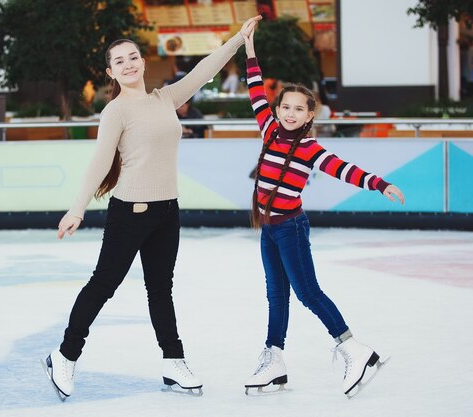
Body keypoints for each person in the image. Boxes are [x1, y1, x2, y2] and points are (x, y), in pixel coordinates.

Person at [43, 15, 263, 401]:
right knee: (103, 284)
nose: (128, 64)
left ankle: (172, 361)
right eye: (119, 61)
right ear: (110, 72)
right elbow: (99, 162)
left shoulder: (165, 99)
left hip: (167, 211)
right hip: (130, 212)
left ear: (143, 62)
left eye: (133, 57)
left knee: (161, 288)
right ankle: (64, 354)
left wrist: (237, 41)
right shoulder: (115, 112)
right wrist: (77, 208)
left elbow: (202, 71)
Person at [240, 27, 405, 397]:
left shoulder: (310, 150)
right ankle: (275, 360)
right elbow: (254, 91)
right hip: (268, 228)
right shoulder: (268, 130)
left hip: (291, 229)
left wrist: (381, 184)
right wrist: (249, 50)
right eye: (285, 106)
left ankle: (353, 349)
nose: (290, 113)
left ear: (311, 113)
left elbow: (345, 169)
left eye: (299, 108)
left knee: (308, 292)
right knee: (276, 295)